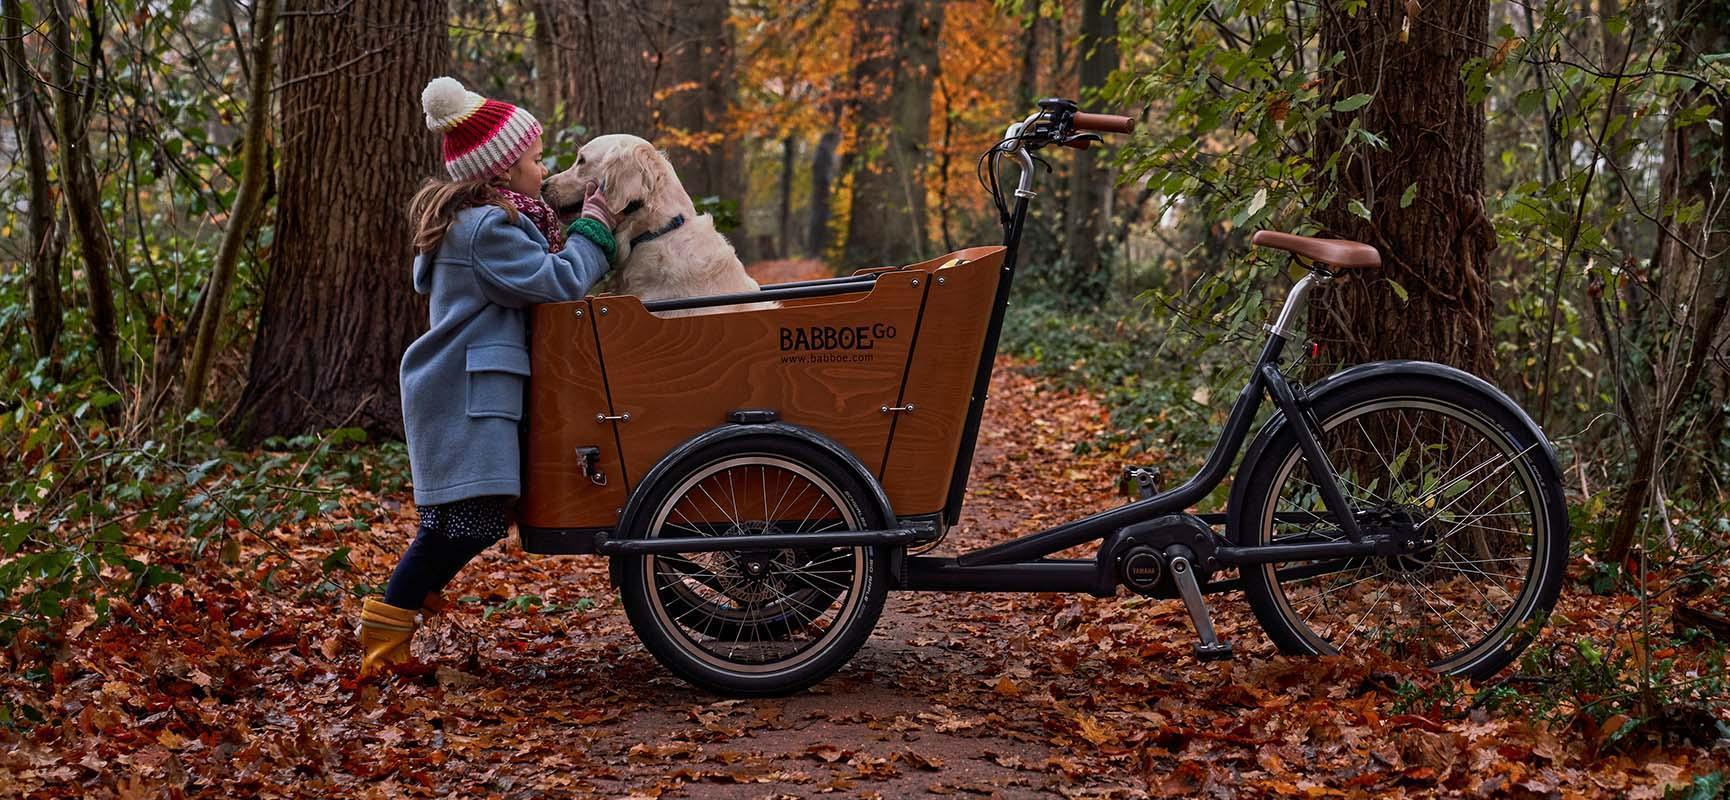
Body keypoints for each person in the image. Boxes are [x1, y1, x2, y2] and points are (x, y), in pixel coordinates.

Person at [358, 77, 617, 676]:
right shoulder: (487, 231)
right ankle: (386, 628)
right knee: (465, 523)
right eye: (532, 158)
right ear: (500, 173)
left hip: (463, 389)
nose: (543, 166)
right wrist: (594, 230)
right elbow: (556, 281)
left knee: (459, 522)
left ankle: (399, 613)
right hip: (465, 395)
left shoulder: (489, 221)